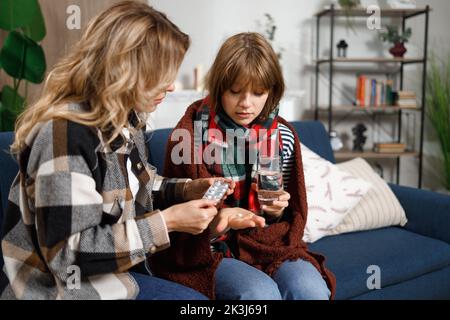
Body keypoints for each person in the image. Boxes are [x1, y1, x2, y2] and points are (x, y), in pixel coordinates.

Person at [0, 1, 232, 300]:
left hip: (117, 278)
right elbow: (69, 253)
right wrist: (168, 221)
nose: (172, 86)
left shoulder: (123, 122)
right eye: (161, 74)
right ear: (125, 70)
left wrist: (188, 190)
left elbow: (141, 185)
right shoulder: (64, 135)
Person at [150, 32, 336, 300]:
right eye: (235, 91)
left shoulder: (282, 135)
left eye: (258, 92)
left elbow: (288, 217)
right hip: (210, 249)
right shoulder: (189, 135)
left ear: (272, 91)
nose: (246, 104)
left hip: (268, 242)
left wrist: (274, 211)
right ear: (219, 87)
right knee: (258, 294)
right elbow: (176, 221)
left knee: (311, 290)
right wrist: (219, 222)